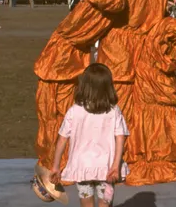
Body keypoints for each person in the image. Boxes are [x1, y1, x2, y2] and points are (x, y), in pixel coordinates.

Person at [49, 64, 129, 207]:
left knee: (86, 205)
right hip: (108, 168)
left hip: (82, 167)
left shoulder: (74, 111)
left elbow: (62, 140)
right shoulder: (114, 111)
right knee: (105, 204)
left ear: (84, 85)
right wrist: (116, 165)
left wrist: (55, 166)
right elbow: (120, 137)